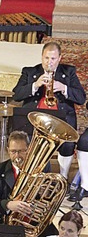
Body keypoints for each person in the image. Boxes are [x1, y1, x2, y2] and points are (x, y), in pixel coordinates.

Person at [12, 41, 86, 183]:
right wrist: (35, 85)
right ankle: (30, 177)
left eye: (53, 59)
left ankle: (62, 178)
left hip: (61, 121)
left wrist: (64, 88)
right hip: (36, 120)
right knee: (27, 141)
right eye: (46, 58)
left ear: (59, 58)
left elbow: (81, 98)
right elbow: (17, 94)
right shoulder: (29, 72)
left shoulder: (68, 72)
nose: (49, 62)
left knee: (68, 144)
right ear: (42, 57)